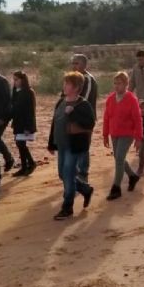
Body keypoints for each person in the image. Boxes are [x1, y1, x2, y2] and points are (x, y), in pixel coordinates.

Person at [47, 72, 96, 220]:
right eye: (65, 83)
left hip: (73, 146)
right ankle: (85, 189)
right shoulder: (61, 102)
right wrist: (51, 143)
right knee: (63, 174)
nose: (64, 86)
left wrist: (73, 113)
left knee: (68, 175)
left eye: (67, 84)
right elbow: (55, 123)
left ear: (76, 88)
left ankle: (67, 207)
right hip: (61, 144)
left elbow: (90, 123)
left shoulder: (83, 105)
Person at [103, 72, 143, 200]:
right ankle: (132, 176)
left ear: (126, 84)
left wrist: (138, 137)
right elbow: (106, 118)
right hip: (114, 133)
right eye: (115, 83)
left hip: (127, 133)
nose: (116, 86)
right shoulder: (110, 99)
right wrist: (105, 134)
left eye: (119, 83)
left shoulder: (131, 99)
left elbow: (137, 119)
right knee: (118, 158)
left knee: (119, 158)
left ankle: (116, 188)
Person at [70, 54, 98, 183]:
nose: (74, 66)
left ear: (84, 65)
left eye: (77, 63)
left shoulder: (88, 80)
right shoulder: (73, 79)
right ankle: (75, 172)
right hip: (73, 117)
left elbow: (83, 101)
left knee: (83, 145)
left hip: (86, 118)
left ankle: (83, 173)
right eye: (73, 63)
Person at [10, 71, 37, 177]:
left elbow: (30, 111)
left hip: (25, 123)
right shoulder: (16, 91)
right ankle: (26, 165)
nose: (15, 82)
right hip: (17, 122)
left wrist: (27, 127)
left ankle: (29, 164)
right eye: (14, 80)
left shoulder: (28, 92)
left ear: (23, 80)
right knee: (20, 144)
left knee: (21, 144)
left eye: (17, 79)